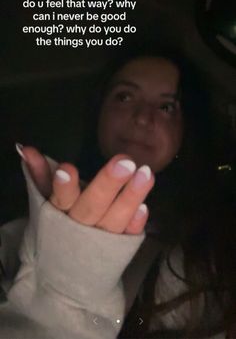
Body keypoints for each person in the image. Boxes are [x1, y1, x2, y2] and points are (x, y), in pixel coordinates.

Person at [1, 51, 236, 338]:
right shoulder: (24, 226)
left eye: (166, 107)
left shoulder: (219, 239)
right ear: (98, 113)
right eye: (124, 97)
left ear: (188, 129)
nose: (141, 118)